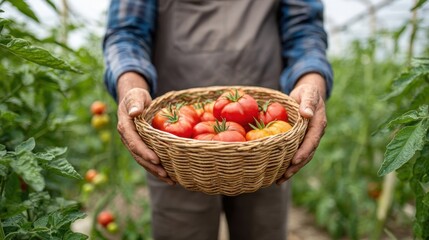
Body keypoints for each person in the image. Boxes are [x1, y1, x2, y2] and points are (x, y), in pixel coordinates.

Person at [103, 0, 333, 239]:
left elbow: (304, 29)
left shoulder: (267, 133)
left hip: (266, 150)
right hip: (176, 152)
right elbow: (126, 32)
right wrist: (131, 89)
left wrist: (310, 83)